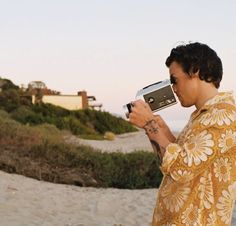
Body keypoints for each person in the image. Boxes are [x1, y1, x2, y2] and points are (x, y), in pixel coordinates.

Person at [129, 42, 236, 226]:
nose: (173, 88)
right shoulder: (203, 115)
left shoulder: (224, 115)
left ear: (194, 71)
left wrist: (149, 124)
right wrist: (160, 130)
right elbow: (171, 166)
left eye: (174, 80)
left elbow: (181, 169)